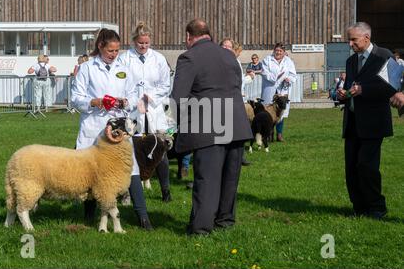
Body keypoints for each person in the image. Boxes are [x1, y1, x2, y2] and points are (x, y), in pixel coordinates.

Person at [172, 19, 252, 235]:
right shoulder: (228, 55)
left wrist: (179, 125)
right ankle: (225, 222)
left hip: (209, 124)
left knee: (207, 179)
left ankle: (201, 228)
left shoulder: (189, 57)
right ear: (208, 34)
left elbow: (178, 96)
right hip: (237, 123)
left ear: (189, 36)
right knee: (229, 177)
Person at [71, 28, 153, 230]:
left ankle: (143, 217)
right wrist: (95, 102)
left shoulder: (123, 67)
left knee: (130, 167)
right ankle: (88, 216)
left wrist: (126, 102)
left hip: (118, 126)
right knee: (90, 170)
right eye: (111, 51)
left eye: (117, 51)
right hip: (94, 125)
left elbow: (135, 94)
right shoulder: (88, 68)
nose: (114, 54)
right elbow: (75, 99)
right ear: (100, 47)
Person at [337, 22, 397, 220]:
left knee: (367, 166)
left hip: (373, 122)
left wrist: (364, 90)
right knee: (351, 166)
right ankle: (359, 207)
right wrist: (343, 94)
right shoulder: (351, 61)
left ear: (366, 38)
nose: (350, 43)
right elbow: (349, 87)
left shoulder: (384, 56)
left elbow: (392, 87)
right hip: (353, 120)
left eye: (353, 39)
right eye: (349, 39)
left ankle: (376, 207)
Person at [119, 22, 172, 202]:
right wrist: (135, 101)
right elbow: (120, 84)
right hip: (133, 111)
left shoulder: (158, 59)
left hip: (154, 110)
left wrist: (149, 97)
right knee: (132, 152)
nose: (144, 46)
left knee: (160, 149)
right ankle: (127, 194)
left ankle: (166, 191)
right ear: (134, 41)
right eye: (140, 43)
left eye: (147, 43)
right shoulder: (124, 58)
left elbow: (165, 85)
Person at [260, 42, 297, 142]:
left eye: (280, 51)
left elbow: (293, 75)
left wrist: (288, 79)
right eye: (277, 50)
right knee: (268, 113)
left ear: (284, 52)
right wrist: (276, 77)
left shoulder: (288, 61)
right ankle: (267, 134)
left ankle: (279, 135)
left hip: (283, 90)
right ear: (274, 51)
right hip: (270, 88)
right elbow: (264, 73)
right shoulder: (267, 60)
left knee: (280, 113)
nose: (278, 52)